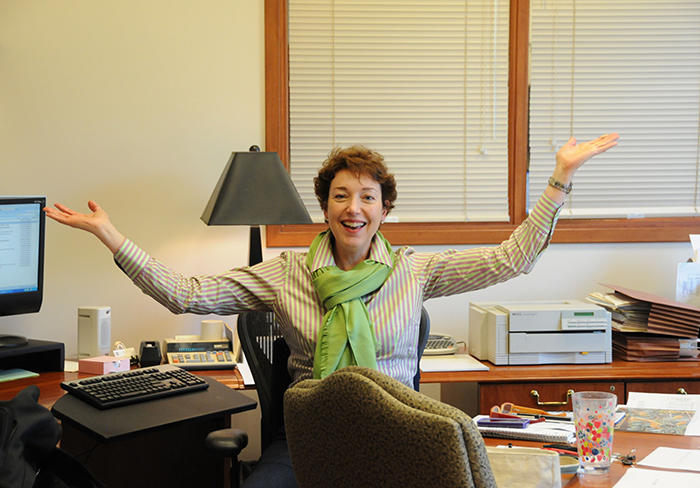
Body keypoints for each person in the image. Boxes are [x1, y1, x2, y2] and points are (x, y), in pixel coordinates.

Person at [44, 132, 619, 487]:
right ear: (324, 206)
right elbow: (186, 293)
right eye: (342, 195)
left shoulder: (413, 271)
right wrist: (112, 236)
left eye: (368, 197)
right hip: (309, 436)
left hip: (398, 431)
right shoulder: (286, 272)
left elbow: (512, 259)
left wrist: (558, 180)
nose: (354, 208)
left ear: (384, 210)